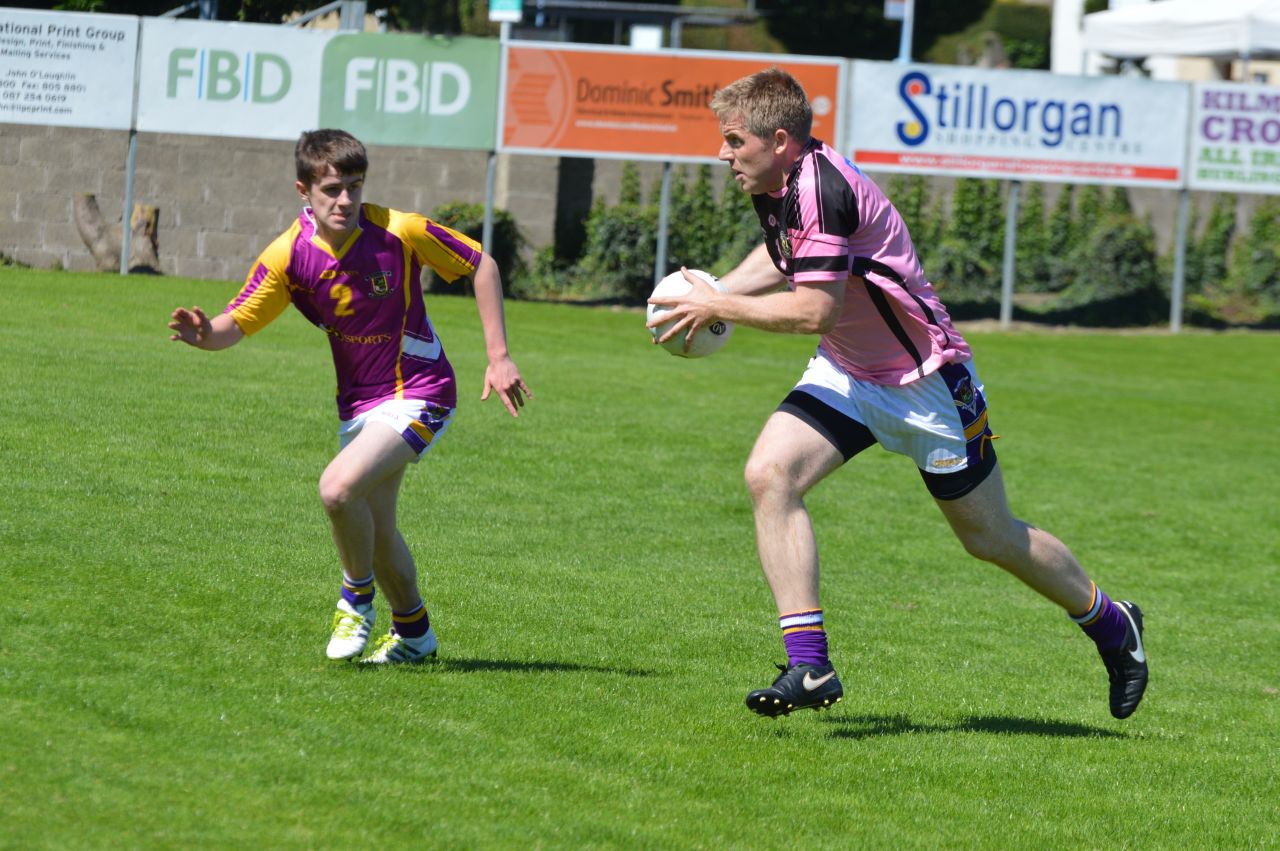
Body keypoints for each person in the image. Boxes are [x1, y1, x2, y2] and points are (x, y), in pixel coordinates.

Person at [648, 69, 1147, 719]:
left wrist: (722, 305)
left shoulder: (822, 190)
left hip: (927, 386)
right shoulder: (776, 182)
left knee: (990, 538)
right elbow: (784, 258)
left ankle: (1113, 624)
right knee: (769, 474)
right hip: (848, 374)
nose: (724, 154)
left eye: (734, 141)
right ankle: (810, 665)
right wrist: (709, 290)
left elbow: (813, 309)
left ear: (778, 140)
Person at [169, 129, 531, 664]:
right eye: (332, 189)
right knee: (378, 531)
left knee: (337, 489)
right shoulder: (289, 256)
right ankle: (415, 637)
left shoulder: (400, 231)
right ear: (304, 190)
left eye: (354, 188)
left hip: (422, 390)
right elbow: (238, 322)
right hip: (360, 404)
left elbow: (481, 265)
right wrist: (205, 335)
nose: (345, 201)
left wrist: (498, 355)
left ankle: (354, 600)